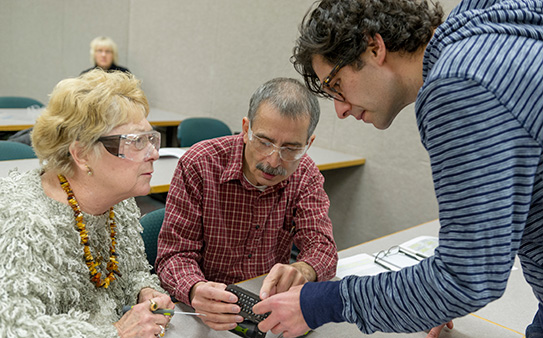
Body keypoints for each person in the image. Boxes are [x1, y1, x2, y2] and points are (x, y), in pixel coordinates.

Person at [253, 0, 543, 338]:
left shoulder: (461, 86)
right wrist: (429, 299)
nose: (341, 109)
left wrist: (322, 302)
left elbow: (466, 278)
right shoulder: (488, 36)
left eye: (336, 84)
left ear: (374, 47)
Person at [0, 69, 175, 337]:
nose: (153, 153)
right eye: (136, 142)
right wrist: (115, 333)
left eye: (151, 138)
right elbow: (15, 327)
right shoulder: (25, 219)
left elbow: (132, 272)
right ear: (82, 154)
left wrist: (145, 291)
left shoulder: (119, 202)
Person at [155, 77, 338, 331]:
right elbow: (174, 255)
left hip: (264, 308)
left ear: (309, 144)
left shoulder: (305, 174)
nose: (273, 161)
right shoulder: (199, 164)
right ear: (245, 129)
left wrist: (304, 270)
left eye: (291, 148)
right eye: (264, 141)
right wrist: (195, 288)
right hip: (205, 314)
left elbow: (323, 247)